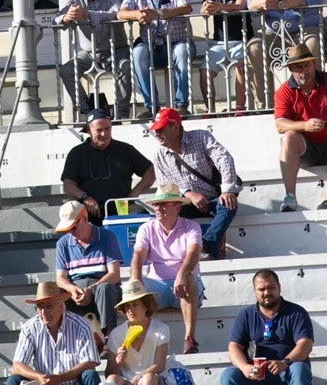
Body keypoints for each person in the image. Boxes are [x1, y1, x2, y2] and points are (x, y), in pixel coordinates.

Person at [273, 43, 327, 212]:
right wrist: (305, 125)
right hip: (306, 148)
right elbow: (280, 125)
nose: (304, 71)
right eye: (298, 67)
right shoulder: (284, 91)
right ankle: (290, 196)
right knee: (289, 136)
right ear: (291, 69)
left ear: (314, 64)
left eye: (307, 65)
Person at [148, 106, 240, 257]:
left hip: (212, 199)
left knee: (228, 203)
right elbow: (165, 187)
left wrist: (227, 190)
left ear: (175, 127)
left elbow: (224, 158)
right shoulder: (159, 156)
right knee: (164, 211)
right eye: (156, 130)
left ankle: (207, 245)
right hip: (182, 204)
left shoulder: (201, 137)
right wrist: (189, 194)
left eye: (161, 129)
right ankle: (197, 249)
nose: (157, 133)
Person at [118, 0, 195, 119]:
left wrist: (159, 13)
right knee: (138, 53)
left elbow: (186, 8)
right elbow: (121, 13)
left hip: (176, 42)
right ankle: (151, 106)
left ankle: (181, 105)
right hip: (151, 45)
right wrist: (137, 14)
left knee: (182, 51)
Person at [219, 268, 314, 385]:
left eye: (271, 287)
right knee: (229, 375)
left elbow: (305, 344)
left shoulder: (297, 313)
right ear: (255, 291)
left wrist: (284, 363)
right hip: (255, 378)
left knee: (299, 369)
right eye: (261, 289)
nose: (267, 293)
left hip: (286, 377)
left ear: (279, 288)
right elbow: (234, 347)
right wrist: (245, 367)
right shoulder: (245, 315)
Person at [129, 184, 204, 354]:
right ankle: (139, 341)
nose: (158, 208)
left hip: (185, 283)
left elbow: (193, 254)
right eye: (156, 204)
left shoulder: (192, 227)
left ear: (177, 207)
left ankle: (189, 339)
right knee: (131, 287)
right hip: (158, 285)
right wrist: (135, 278)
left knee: (189, 278)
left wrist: (182, 274)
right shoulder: (146, 228)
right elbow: (138, 255)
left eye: (164, 204)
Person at [246, 0, 323, 96]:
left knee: (312, 44)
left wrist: (278, 3)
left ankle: (313, 97)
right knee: (254, 48)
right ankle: (264, 105)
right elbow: (250, 2)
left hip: (304, 30)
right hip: (274, 33)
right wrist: (263, 2)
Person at [54, 0, 129, 120]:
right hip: (89, 53)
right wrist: (67, 17)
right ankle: (86, 110)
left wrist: (86, 15)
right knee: (66, 71)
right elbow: (56, 20)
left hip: (116, 50)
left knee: (126, 67)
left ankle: (121, 115)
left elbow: (115, 13)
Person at [7, 279, 101, 385]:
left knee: (90, 376)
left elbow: (90, 363)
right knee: (14, 380)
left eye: (49, 306)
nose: (43, 312)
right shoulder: (30, 327)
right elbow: (17, 365)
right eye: (40, 307)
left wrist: (59, 378)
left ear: (61, 306)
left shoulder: (81, 325)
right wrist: (40, 378)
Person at [61, 106, 154, 223]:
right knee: (74, 216)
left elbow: (151, 171)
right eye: (99, 130)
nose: (104, 134)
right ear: (89, 130)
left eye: (107, 129)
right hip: (89, 208)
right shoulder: (77, 153)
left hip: (122, 206)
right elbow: (68, 186)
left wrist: (135, 192)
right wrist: (85, 197)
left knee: (141, 216)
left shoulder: (125, 149)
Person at [53, 199, 122, 335]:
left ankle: (108, 338)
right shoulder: (63, 243)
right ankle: (63, 338)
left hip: (102, 289)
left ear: (84, 218)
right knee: (55, 294)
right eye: (67, 229)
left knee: (105, 288)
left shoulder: (107, 236)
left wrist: (91, 289)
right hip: (77, 290)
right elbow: (60, 279)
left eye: (73, 227)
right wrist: (72, 289)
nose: (70, 232)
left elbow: (114, 274)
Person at [104, 279, 170, 385]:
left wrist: (138, 377)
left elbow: (160, 365)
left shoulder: (161, 329)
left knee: (148, 379)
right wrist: (118, 362)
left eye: (135, 304)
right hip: (125, 383)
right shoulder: (117, 334)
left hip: (153, 381)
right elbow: (109, 373)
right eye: (127, 306)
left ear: (146, 305)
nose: (130, 309)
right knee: (112, 380)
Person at [199, 0, 252, 112]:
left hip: (242, 40)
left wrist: (219, 6)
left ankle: (239, 108)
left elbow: (240, 5)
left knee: (241, 67)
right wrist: (207, 9)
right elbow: (204, 11)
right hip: (219, 43)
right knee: (204, 72)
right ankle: (211, 110)